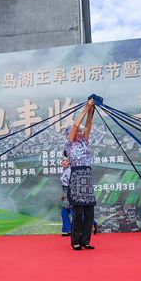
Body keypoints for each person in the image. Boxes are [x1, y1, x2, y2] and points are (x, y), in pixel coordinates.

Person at [66, 100, 97, 250]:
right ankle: (76, 241)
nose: (79, 133)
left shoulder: (84, 142)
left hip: (87, 176)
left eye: (80, 132)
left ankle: (86, 240)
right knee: (78, 213)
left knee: (89, 212)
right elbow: (75, 125)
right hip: (77, 178)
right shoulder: (70, 144)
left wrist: (91, 111)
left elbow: (88, 126)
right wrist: (85, 109)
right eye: (77, 132)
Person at [59, 155, 72, 236]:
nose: (64, 162)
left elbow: (71, 184)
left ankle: (92, 222)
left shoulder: (70, 171)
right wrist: (63, 195)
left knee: (74, 213)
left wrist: (68, 195)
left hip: (70, 193)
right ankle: (67, 230)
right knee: (64, 212)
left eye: (66, 161)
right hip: (65, 193)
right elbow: (64, 184)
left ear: (69, 163)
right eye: (63, 161)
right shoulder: (64, 170)